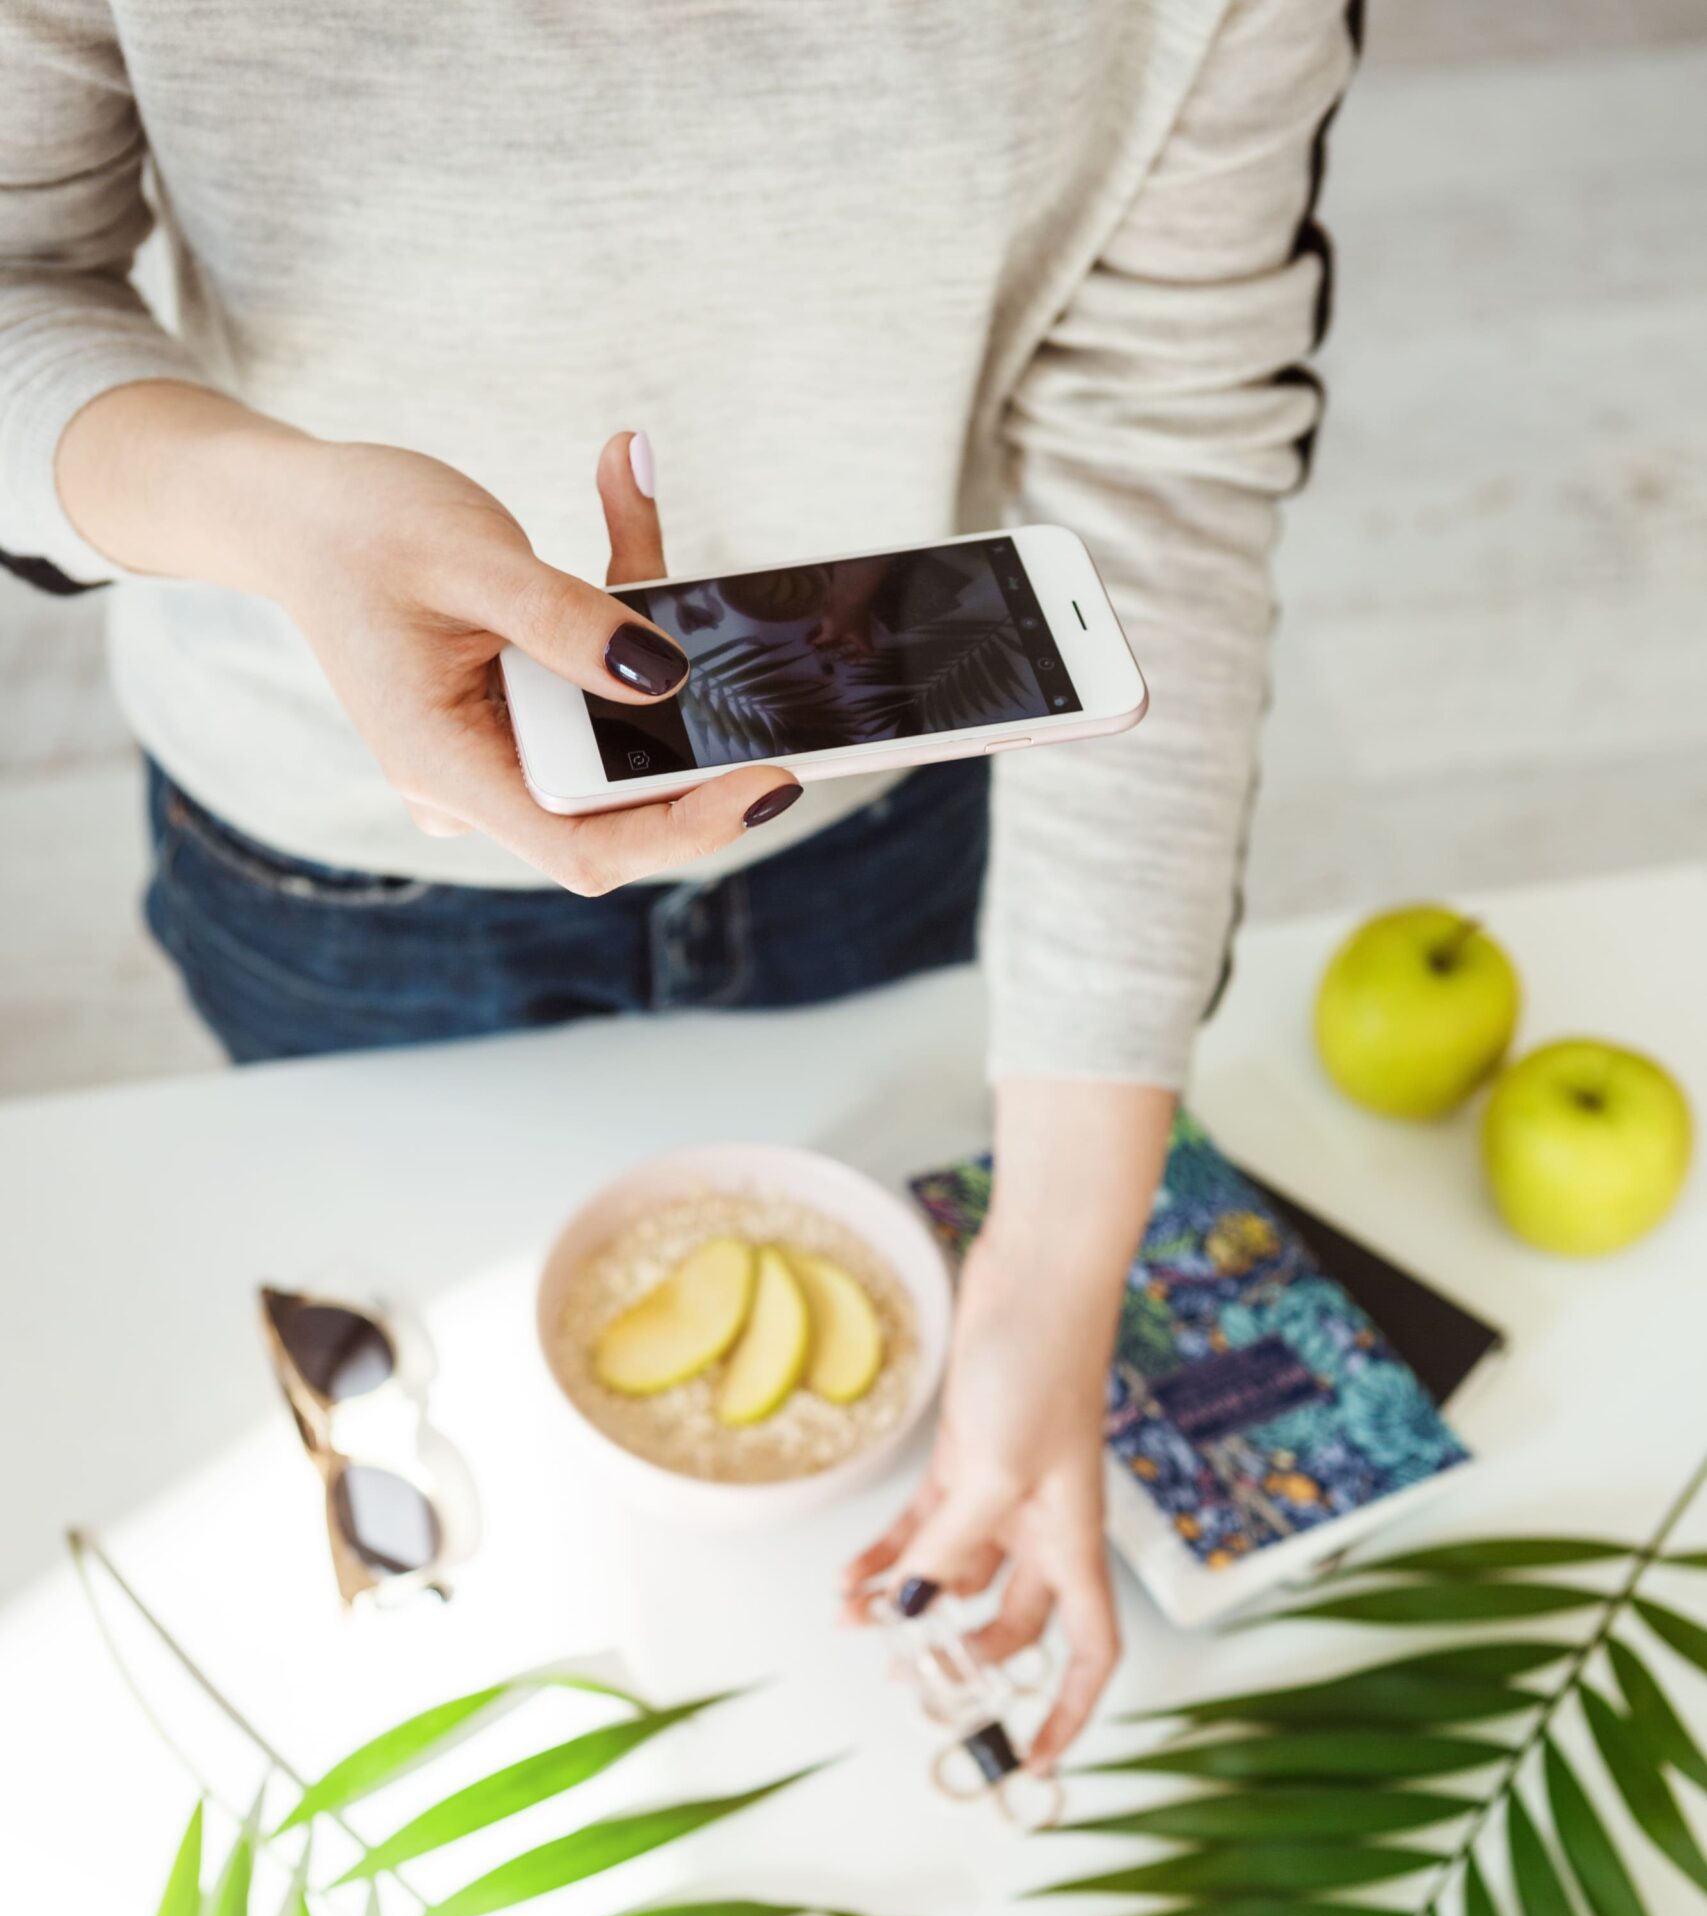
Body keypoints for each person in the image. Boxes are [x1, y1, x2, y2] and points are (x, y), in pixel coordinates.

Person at [0, 1, 1359, 1767]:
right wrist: (277, 511)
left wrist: (1054, 1260)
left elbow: (1168, 463)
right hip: (337, 858)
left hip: (876, 811)